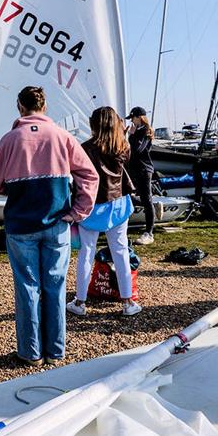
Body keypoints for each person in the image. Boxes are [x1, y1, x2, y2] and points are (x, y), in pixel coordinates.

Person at [0, 86, 98, 366]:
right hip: (57, 222)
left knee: (28, 287)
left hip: (20, 224)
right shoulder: (63, 137)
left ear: (19, 106)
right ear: (45, 106)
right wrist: (78, 212)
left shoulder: (9, 140)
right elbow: (89, 175)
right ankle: (55, 350)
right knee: (55, 285)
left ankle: (31, 352)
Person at [67, 107, 143, 318]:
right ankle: (128, 302)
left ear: (93, 125)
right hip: (118, 205)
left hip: (91, 207)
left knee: (86, 254)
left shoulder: (84, 148)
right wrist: (124, 134)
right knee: (120, 251)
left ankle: (80, 302)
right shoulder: (123, 147)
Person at [126, 106, 161, 245]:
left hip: (144, 169)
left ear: (139, 117)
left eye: (133, 118)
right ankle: (156, 205)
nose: (132, 121)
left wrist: (132, 135)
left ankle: (149, 233)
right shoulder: (138, 131)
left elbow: (138, 149)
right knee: (129, 196)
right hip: (135, 169)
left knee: (146, 199)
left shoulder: (145, 131)